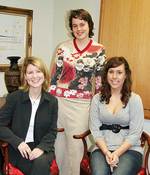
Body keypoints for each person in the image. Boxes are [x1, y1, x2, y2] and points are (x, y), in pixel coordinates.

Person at [49, 9, 105, 175]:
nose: (79, 28)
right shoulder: (63, 48)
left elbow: (100, 83)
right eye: (75, 25)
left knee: (75, 148)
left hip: (81, 105)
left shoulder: (98, 49)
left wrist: (99, 107)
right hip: (58, 102)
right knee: (58, 145)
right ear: (71, 28)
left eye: (82, 24)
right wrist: (49, 104)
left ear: (89, 25)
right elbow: (53, 78)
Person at [0, 57, 58, 175]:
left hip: (43, 148)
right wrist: (18, 143)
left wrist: (41, 148)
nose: (35, 76)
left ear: (44, 74)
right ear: (25, 76)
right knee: (36, 167)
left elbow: (52, 131)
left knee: (40, 163)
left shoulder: (52, 101)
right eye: (30, 72)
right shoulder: (14, 98)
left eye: (38, 71)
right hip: (19, 148)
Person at [89, 56, 144, 175]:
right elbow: (95, 130)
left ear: (125, 75)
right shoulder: (96, 99)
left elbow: (135, 133)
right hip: (102, 149)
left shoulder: (135, 99)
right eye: (111, 72)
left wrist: (116, 153)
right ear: (106, 75)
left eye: (119, 72)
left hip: (130, 150)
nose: (114, 76)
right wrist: (107, 152)